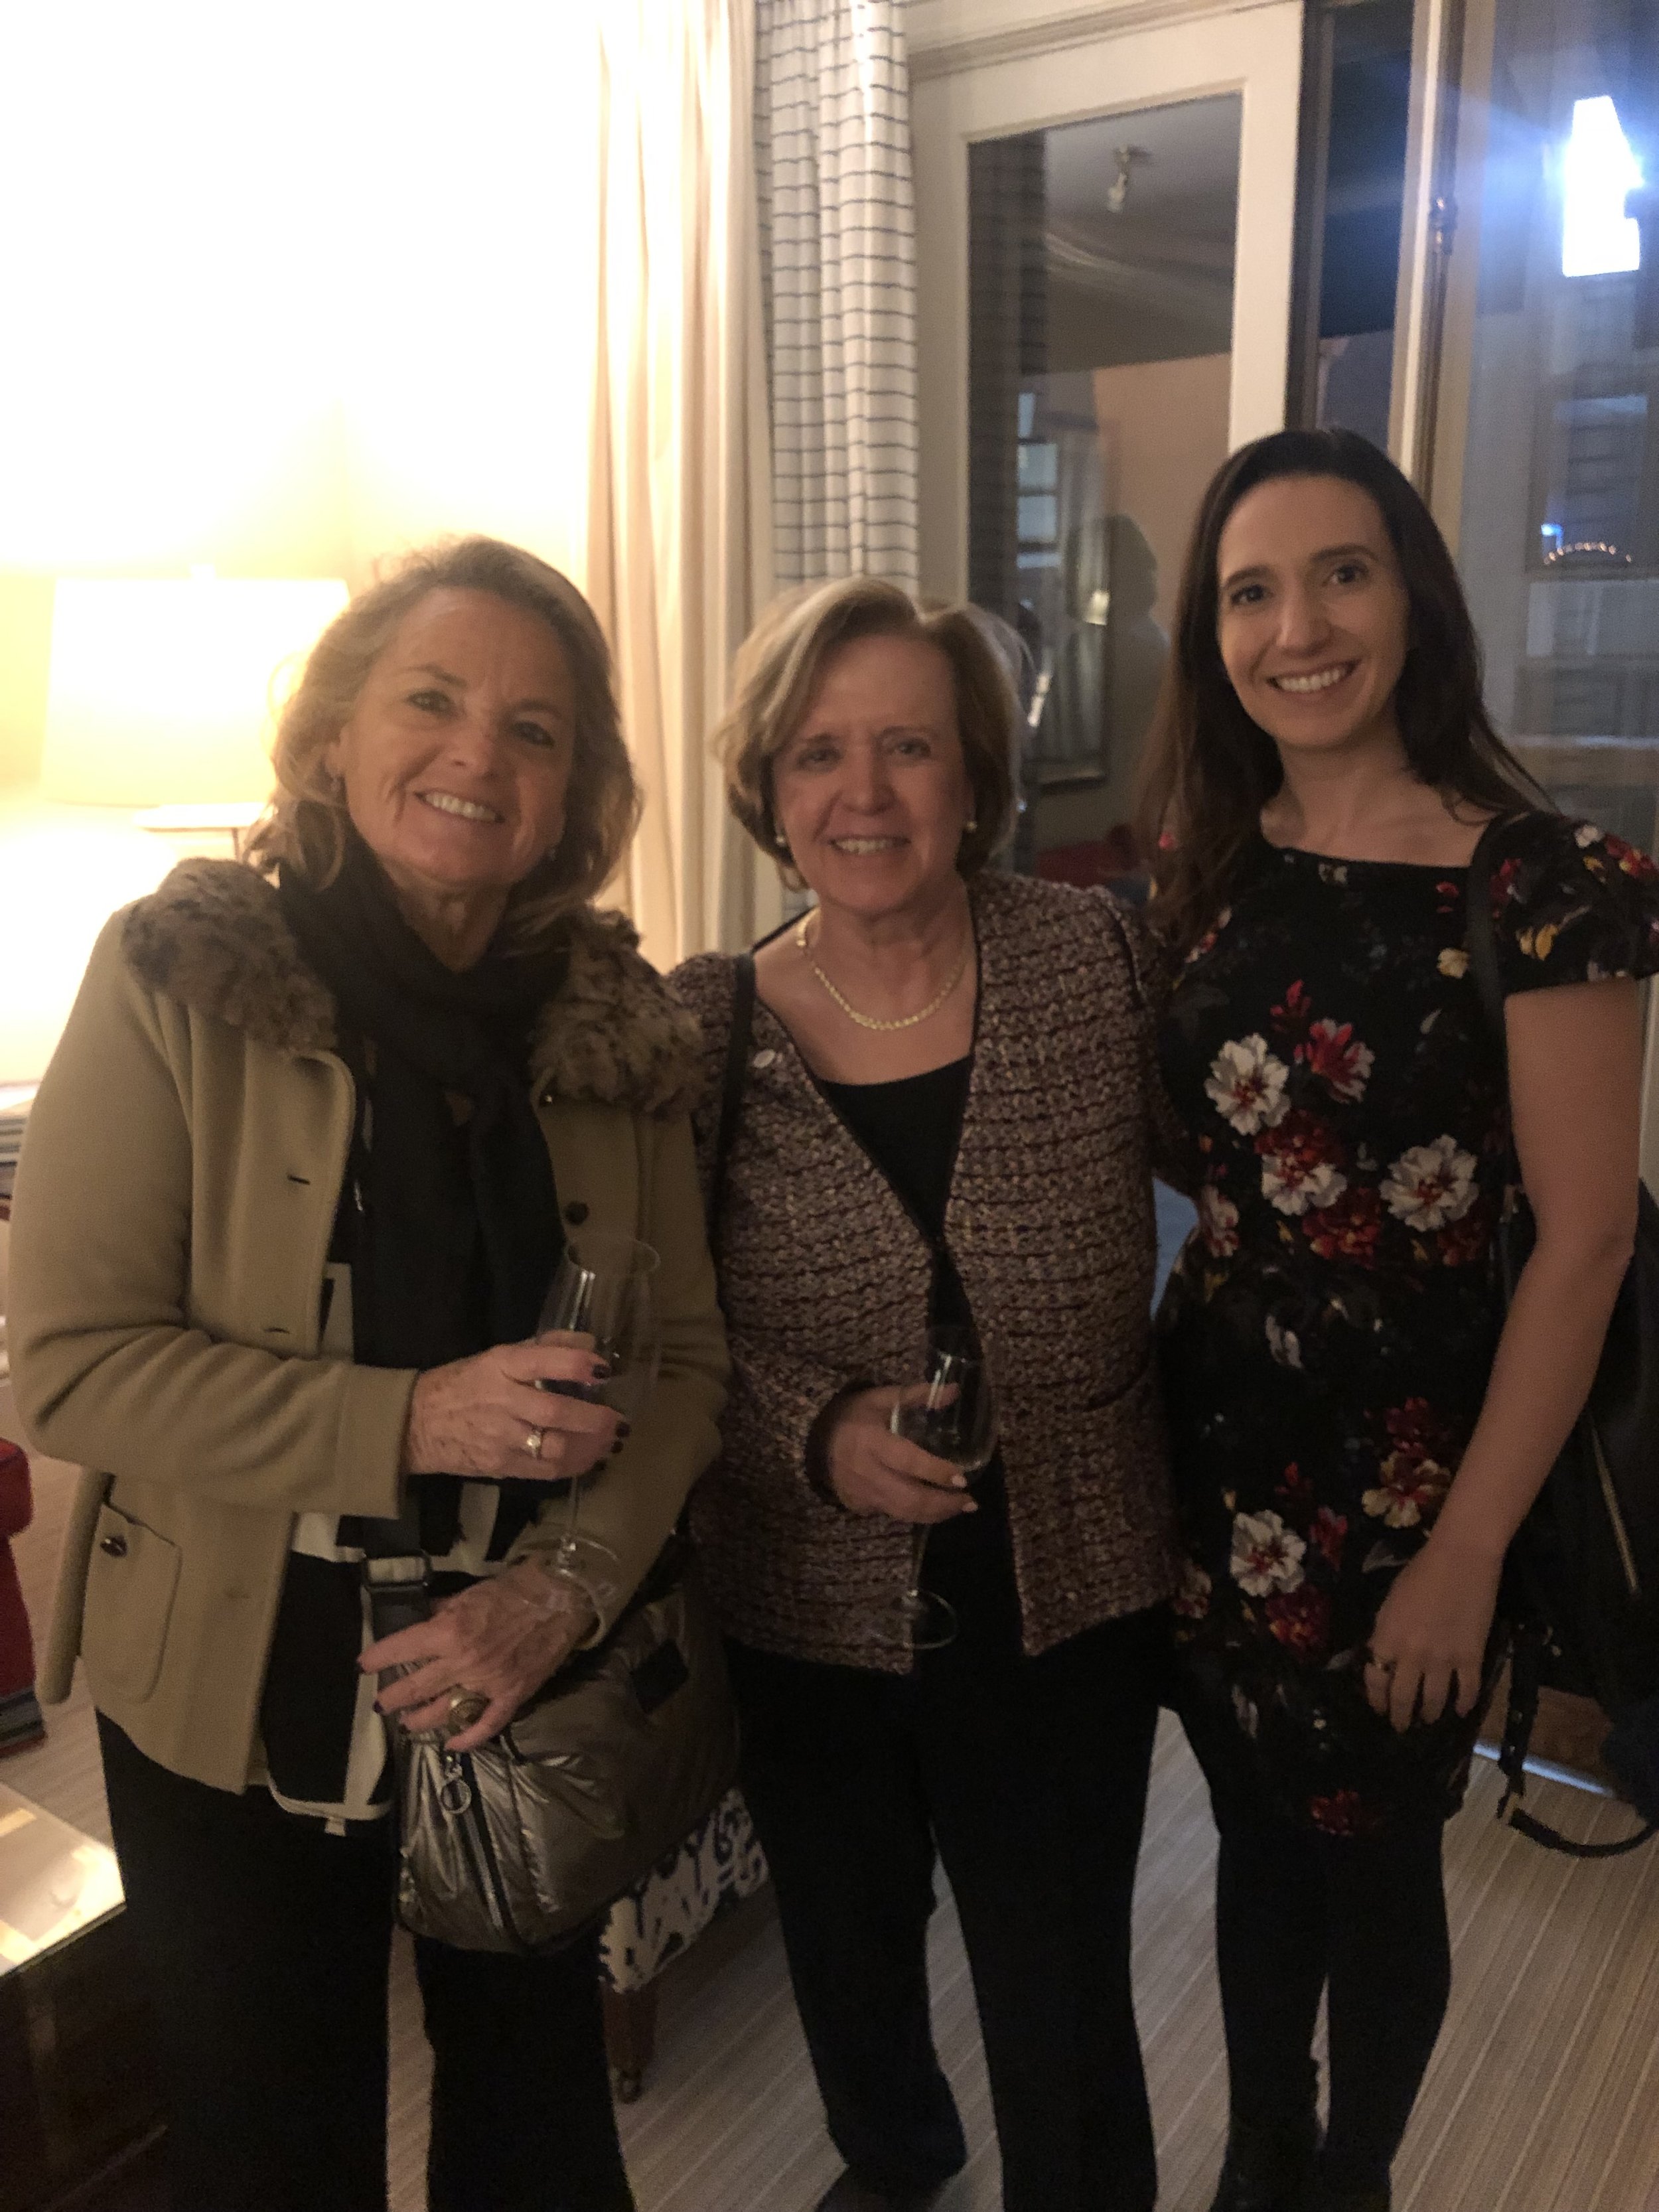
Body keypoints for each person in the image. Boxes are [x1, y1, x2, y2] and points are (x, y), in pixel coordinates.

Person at [9, 537, 726, 2212]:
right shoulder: (172, 977)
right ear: (332, 735)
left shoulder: (618, 1032)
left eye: (534, 730)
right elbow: (74, 1367)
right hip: (238, 1688)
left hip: (521, 1686)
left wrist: (564, 1588)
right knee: (274, 2140)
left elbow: (683, 1357)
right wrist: (406, 1415)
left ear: (570, 794)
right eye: (431, 698)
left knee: (539, 2132)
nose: (480, 752)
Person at [1139, 427, 1659, 2212]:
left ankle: (1347, 2172)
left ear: (1413, 595)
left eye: (1337, 571)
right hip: (1209, 1466)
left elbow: (1584, 1243)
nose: (1296, 625)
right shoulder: (1207, 858)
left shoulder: (1543, 879)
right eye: (1249, 589)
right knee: (1255, 1836)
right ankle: (1260, 2142)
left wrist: (1462, 1553)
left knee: (1373, 1866)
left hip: (1415, 1489)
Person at [672, 577, 1178, 2212]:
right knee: (847, 1941)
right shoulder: (707, 1026)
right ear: (766, 788)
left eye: (907, 745)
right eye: (816, 754)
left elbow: (1255, 1185)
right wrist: (811, 1430)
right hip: (807, 1596)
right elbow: (666, 1334)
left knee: (1059, 1972)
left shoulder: (1097, 960)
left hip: (1069, 1584)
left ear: (976, 776)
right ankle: (894, 2162)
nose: (862, 793)